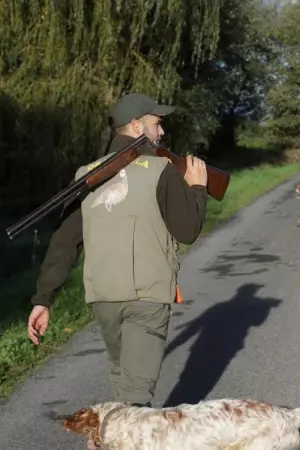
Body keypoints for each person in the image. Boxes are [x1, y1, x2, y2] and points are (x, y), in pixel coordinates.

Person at [25, 93, 209, 441]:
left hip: (104, 299)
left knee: (123, 392)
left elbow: (64, 241)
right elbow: (188, 230)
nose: (163, 131)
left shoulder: (86, 175)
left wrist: (43, 298)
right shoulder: (160, 169)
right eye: (157, 123)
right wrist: (197, 189)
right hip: (147, 300)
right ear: (137, 126)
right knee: (135, 406)